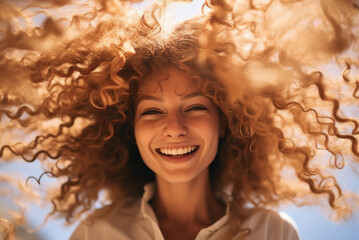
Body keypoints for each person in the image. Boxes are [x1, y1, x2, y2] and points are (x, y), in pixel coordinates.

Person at [0, 0, 358, 239]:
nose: (174, 127)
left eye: (195, 107)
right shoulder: (98, 232)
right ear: (130, 129)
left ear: (225, 119)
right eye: (152, 110)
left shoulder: (273, 231)